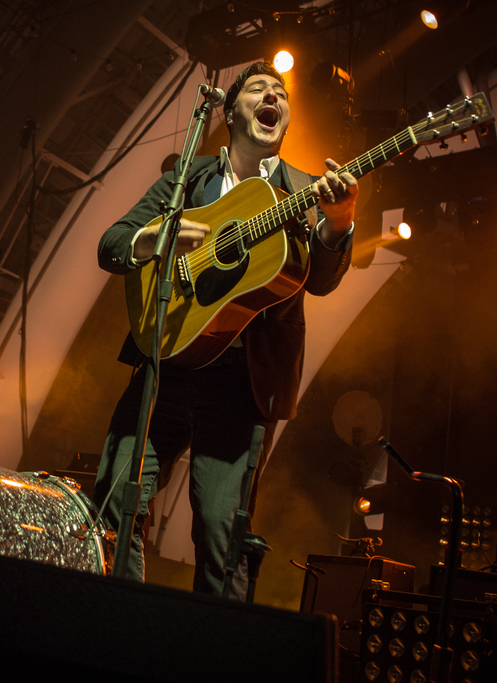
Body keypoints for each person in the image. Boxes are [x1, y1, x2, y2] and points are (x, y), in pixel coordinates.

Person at [94, 60, 358, 598]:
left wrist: (340, 221)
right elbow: (112, 243)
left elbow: (323, 282)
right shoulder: (187, 179)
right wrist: (152, 242)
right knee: (115, 500)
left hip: (240, 383)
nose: (273, 98)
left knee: (220, 533)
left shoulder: (304, 190)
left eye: (281, 94)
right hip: (165, 363)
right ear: (229, 109)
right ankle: (116, 627)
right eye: (259, 89)